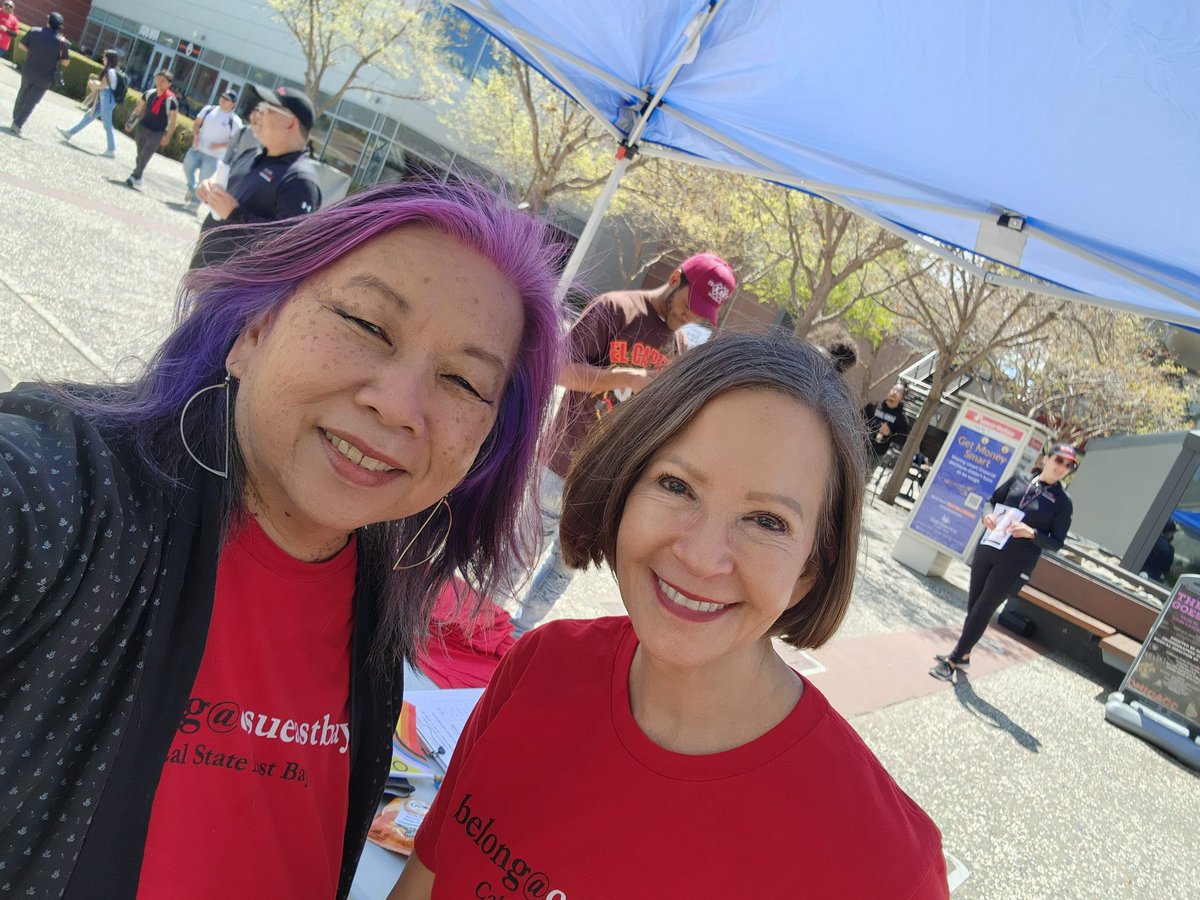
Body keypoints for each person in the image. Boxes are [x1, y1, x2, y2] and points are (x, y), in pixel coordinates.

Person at [0, 179, 566, 896]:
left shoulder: (377, 598)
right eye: (366, 324)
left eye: (461, 381)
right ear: (254, 329)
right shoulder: (69, 494)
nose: (399, 406)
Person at [391, 332, 949, 898]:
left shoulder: (884, 868)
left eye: (768, 521)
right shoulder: (541, 663)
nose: (701, 558)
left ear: (812, 567)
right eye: (677, 486)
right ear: (626, 484)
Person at [509, 252, 736, 633]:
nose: (690, 316)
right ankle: (481, 626)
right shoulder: (615, 308)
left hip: (608, 483)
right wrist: (619, 378)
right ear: (676, 277)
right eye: (690, 304)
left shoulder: (678, 348)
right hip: (561, 463)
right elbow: (556, 368)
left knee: (566, 566)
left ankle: (518, 634)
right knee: (521, 550)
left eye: (702, 313)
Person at [930, 443, 1079, 680]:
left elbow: (1057, 542)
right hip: (989, 546)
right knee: (974, 604)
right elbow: (992, 500)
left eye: (1068, 465)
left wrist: (1032, 533)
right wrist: (986, 515)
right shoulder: (1020, 479)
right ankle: (965, 654)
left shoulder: (1063, 502)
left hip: (1015, 561)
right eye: (1059, 460)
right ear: (1047, 459)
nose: (1062, 467)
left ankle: (953, 659)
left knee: (984, 608)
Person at [193, 84, 322, 266]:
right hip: (203, 275)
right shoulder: (252, 155)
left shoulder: (300, 181)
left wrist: (235, 214)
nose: (256, 115)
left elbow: (288, 249)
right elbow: (230, 194)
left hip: (235, 290)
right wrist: (211, 189)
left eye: (266, 109)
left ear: (291, 123)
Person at [7, 10, 68, 136]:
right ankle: (17, 123)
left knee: (23, 92)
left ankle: (16, 115)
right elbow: (65, 62)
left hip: (28, 70)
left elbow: (21, 45)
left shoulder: (34, 31)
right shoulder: (62, 42)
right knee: (32, 101)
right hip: (45, 77)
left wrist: (34, 50)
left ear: (48, 22)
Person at [182, 88, 242, 208]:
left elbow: (235, 143)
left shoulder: (235, 121)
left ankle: (195, 203)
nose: (223, 100)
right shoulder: (209, 109)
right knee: (187, 168)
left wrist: (219, 145)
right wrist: (196, 136)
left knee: (204, 180)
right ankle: (192, 188)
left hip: (214, 156)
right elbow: (196, 124)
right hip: (197, 149)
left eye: (227, 99)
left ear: (233, 104)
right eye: (223, 97)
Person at [58, 48, 120, 157]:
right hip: (107, 98)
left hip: (107, 98)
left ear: (108, 59)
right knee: (89, 116)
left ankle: (111, 150)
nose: (103, 58)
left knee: (107, 124)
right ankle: (69, 133)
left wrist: (93, 84)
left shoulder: (109, 71)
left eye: (104, 57)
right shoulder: (113, 71)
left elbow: (102, 86)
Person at [123, 69, 178, 188]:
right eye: (158, 79)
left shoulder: (171, 101)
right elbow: (138, 109)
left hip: (157, 132)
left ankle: (134, 176)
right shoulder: (149, 93)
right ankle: (139, 176)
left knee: (145, 155)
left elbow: (173, 122)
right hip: (143, 126)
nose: (159, 82)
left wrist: (167, 136)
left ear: (169, 84)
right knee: (139, 153)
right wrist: (130, 122)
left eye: (163, 81)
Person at [863, 381, 909, 472]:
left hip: (876, 455)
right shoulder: (874, 406)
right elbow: (857, 419)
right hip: (860, 448)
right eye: (894, 389)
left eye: (898, 392)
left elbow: (902, 440)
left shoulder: (901, 419)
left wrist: (889, 433)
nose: (894, 392)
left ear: (902, 398)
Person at [1142, 520, 1176, 584]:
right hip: (1154, 579)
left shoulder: (1150, 539)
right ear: (1170, 533)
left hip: (1139, 571)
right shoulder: (1169, 549)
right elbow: (1166, 569)